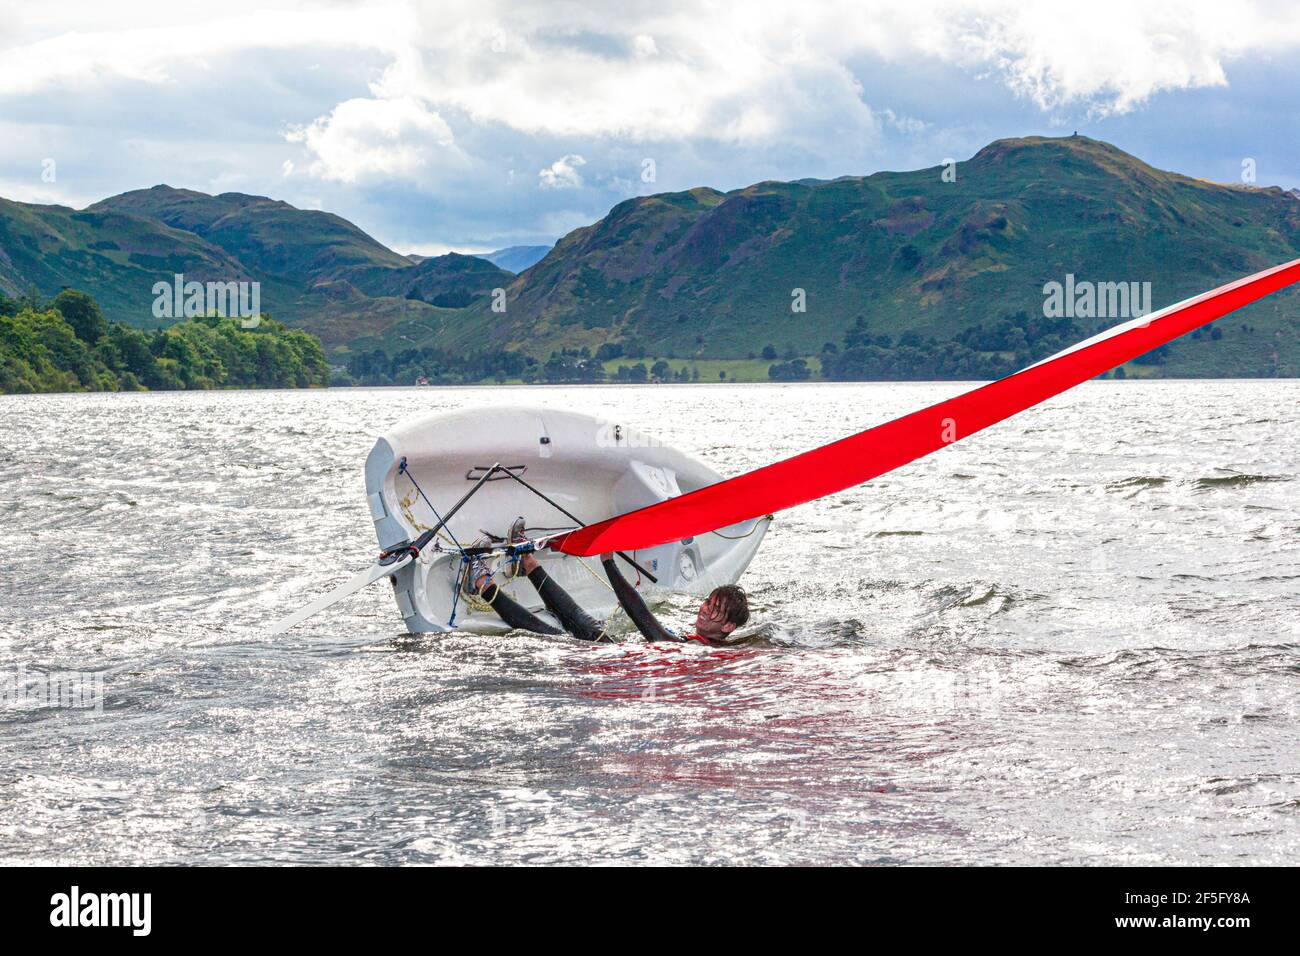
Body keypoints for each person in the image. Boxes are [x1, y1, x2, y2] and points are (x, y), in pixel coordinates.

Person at [468, 518, 749, 645]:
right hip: (614, 648)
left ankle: (481, 582)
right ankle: (527, 561)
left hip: (607, 662)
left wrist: (609, 562)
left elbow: (645, 621)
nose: (703, 609)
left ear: (727, 626)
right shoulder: (701, 640)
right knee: (578, 618)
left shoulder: (701, 650)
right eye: (707, 601)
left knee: (550, 633)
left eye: (713, 609)